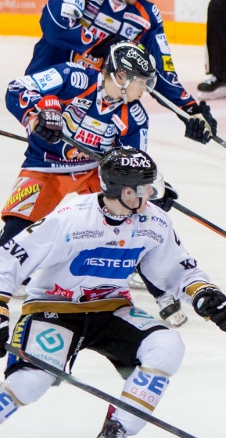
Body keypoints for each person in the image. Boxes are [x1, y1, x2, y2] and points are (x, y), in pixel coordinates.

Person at [0, 146, 226, 438]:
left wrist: (204, 292)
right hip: (54, 306)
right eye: (142, 189)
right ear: (119, 190)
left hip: (111, 307)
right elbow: (8, 259)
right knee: (32, 382)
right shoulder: (70, 217)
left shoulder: (153, 221)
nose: (150, 195)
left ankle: (114, 435)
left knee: (167, 346)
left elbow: (177, 268)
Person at [2, 42, 185, 324]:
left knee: (130, 216)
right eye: (141, 82)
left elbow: (134, 162)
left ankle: (160, 289)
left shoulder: (135, 116)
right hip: (45, 165)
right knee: (16, 233)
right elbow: (17, 88)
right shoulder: (74, 76)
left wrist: (149, 188)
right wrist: (38, 114)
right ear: (121, 77)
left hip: (94, 172)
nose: (145, 89)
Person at [28, 0, 217, 140]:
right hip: (48, 91)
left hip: (91, 104)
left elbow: (160, 71)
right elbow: (54, 26)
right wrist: (99, 43)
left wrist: (189, 109)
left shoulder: (147, 17)